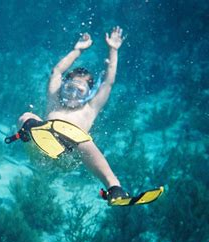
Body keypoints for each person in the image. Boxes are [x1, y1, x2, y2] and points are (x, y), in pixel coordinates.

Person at [13, 26, 129, 203]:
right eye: (69, 88)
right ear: (63, 86)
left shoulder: (89, 108)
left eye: (80, 91)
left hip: (68, 156)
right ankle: (32, 135)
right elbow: (57, 72)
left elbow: (108, 82)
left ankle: (114, 187)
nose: (72, 94)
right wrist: (77, 50)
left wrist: (113, 50)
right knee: (27, 116)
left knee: (84, 141)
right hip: (39, 149)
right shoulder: (55, 101)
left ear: (89, 94)